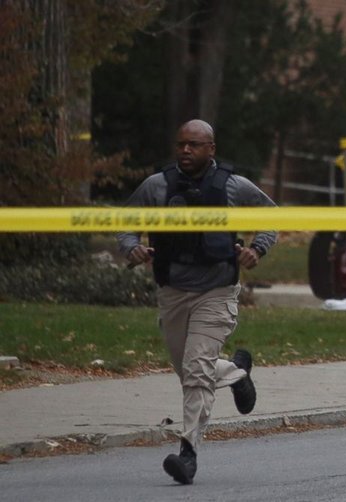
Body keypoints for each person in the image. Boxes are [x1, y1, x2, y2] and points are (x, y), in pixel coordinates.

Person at [118, 119, 277, 484]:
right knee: (188, 370)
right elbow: (125, 223)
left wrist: (257, 248)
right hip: (173, 292)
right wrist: (132, 247)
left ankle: (187, 454)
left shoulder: (233, 185)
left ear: (211, 149)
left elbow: (272, 215)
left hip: (217, 291)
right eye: (181, 144)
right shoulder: (157, 186)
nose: (185, 150)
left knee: (195, 372)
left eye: (194, 144)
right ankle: (236, 372)